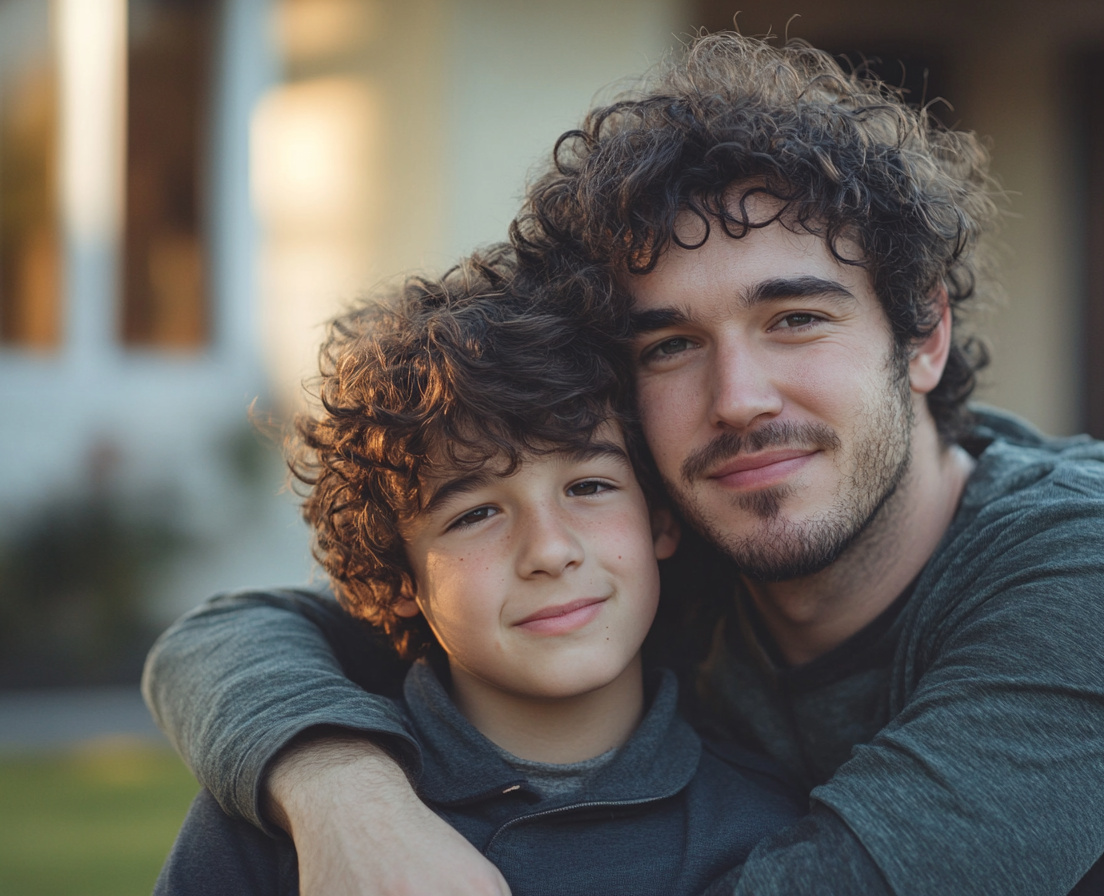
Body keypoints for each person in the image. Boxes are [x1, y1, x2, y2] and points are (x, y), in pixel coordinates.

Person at [144, 33, 1104, 895]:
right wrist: (342, 797)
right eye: (670, 344)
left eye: (796, 318)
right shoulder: (674, 549)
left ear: (923, 335)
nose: (739, 398)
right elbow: (235, 638)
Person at [153, 249, 807, 896]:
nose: (549, 551)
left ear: (660, 520)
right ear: (399, 581)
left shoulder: (765, 829)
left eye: (588, 486)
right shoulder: (281, 824)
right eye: (476, 515)